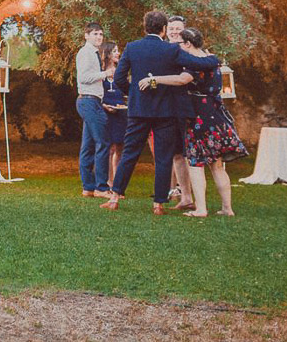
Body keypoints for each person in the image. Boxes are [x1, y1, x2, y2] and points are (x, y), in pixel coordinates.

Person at [101, 11, 219, 213]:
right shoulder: (171, 50)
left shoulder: (132, 47)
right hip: (166, 110)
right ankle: (158, 204)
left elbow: (120, 77)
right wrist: (213, 58)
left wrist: (135, 93)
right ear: (164, 29)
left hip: (139, 110)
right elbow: (202, 63)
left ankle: (114, 198)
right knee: (164, 157)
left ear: (145, 27)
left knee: (129, 153)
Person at [141, 27, 246, 216]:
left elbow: (182, 80)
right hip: (217, 115)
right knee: (217, 165)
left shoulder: (195, 64)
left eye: (179, 43)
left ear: (188, 43)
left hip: (199, 117)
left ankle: (201, 209)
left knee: (195, 164)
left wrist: (155, 79)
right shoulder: (210, 60)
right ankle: (227, 208)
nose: (177, 47)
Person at [75, 22, 115, 199]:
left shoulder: (93, 53)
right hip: (88, 101)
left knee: (88, 145)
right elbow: (83, 78)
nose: (99, 37)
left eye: (101, 34)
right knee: (103, 143)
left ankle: (88, 187)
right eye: (95, 34)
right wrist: (105, 74)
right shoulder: (86, 53)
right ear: (87, 35)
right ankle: (100, 187)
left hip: (93, 101)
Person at [163, 15, 193, 207]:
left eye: (177, 28)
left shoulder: (189, 52)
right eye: (171, 28)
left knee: (189, 153)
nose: (174, 31)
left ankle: (191, 195)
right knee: (176, 154)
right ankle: (185, 196)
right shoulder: (163, 51)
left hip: (187, 108)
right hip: (167, 108)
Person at [101, 41, 127, 186]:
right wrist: (105, 106)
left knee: (120, 147)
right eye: (115, 51)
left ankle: (117, 183)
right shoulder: (101, 72)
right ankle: (108, 182)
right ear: (107, 53)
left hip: (120, 113)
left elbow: (125, 91)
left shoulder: (121, 72)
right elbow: (97, 94)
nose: (118, 53)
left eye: (118, 50)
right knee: (109, 149)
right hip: (106, 113)